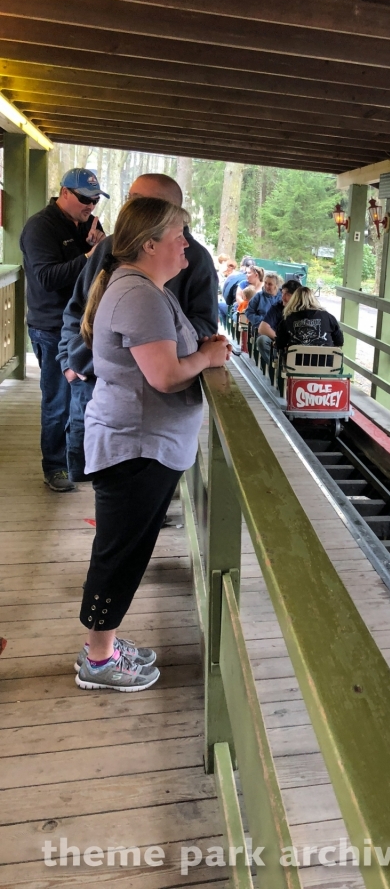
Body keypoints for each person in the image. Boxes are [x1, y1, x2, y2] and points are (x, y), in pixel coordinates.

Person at [75, 196, 230, 691]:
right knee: (119, 555)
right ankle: (98, 661)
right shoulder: (139, 295)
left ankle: (104, 645)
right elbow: (164, 375)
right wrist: (206, 360)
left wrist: (201, 350)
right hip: (135, 447)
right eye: (178, 235)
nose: (186, 244)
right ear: (148, 245)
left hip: (142, 445)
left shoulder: (142, 288)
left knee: (127, 551)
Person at [58, 174, 218, 483]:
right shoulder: (123, 266)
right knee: (93, 471)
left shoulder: (194, 260)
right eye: (130, 198)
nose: (127, 206)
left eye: (139, 201)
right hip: (107, 393)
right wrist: (69, 361)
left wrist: (165, 340)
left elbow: (203, 322)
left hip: (149, 417)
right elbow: (78, 307)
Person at [20, 168, 108, 492]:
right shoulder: (39, 228)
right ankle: (54, 466)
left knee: (81, 396)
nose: (91, 206)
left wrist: (100, 248)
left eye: (96, 200)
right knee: (57, 398)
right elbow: (46, 277)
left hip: (82, 327)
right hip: (50, 326)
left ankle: (77, 461)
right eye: (85, 199)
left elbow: (101, 268)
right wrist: (89, 256)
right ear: (65, 193)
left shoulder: (88, 225)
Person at [275, 286, 344, 353]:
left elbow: (280, 344)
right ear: (313, 299)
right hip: (325, 362)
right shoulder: (328, 317)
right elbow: (340, 341)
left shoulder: (287, 319)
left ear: (293, 300)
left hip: (295, 363)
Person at [256, 278, 302, 368]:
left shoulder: (305, 310)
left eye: (287, 294)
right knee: (262, 340)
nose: (283, 297)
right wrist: (281, 341)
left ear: (296, 296)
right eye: (282, 293)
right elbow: (262, 328)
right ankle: (277, 369)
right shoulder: (277, 307)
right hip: (278, 344)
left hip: (299, 346)